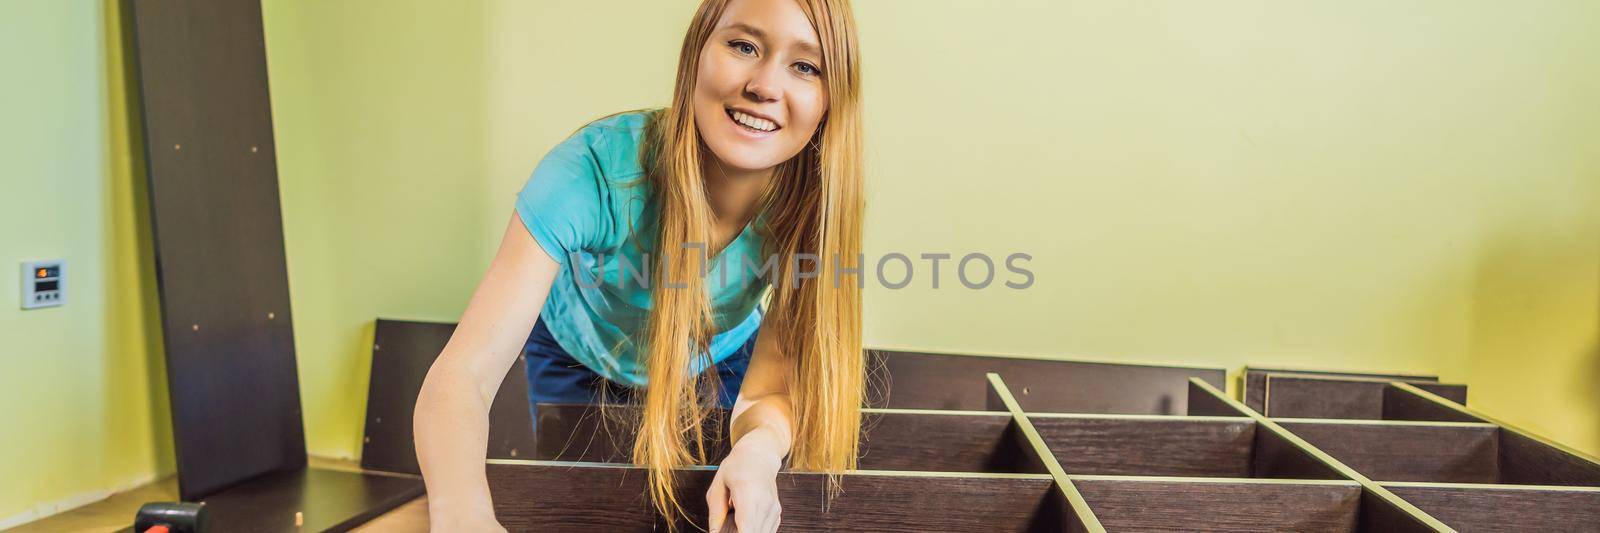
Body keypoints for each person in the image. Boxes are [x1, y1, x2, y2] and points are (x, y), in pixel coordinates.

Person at [412, 0, 865, 531]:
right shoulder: (589, 173)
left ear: (832, 99)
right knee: (585, 514)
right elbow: (462, 376)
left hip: (714, 357)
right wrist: (462, 512)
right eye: (743, 45)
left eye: (805, 66)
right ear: (696, 52)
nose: (765, 85)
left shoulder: (813, 204)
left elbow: (768, 392)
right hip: (578, 354)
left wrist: (761, 451)